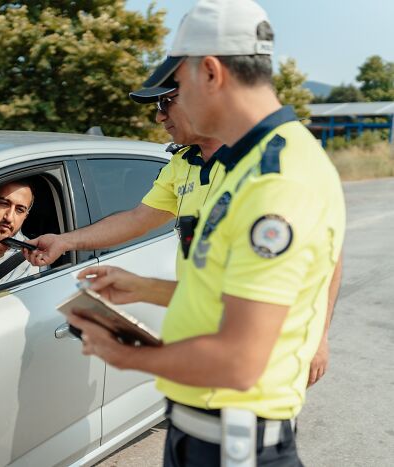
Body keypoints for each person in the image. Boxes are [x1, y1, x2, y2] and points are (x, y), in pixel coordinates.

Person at [66, 1, 346, 465]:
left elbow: (239, 362)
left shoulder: (276, 181)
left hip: (236, 444)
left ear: (211, 72)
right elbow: (228, 292)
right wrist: (143, 288)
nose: (166, 108)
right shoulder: (244, 164)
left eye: (175, 87)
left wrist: (125, 355)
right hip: (203, 432)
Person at [26, 84, 224, 281]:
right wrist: (63, 241)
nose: (159, 117)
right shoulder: (180, 163)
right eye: (158, 107)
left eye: (166, 103)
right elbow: (137, 220)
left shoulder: (251, 162)